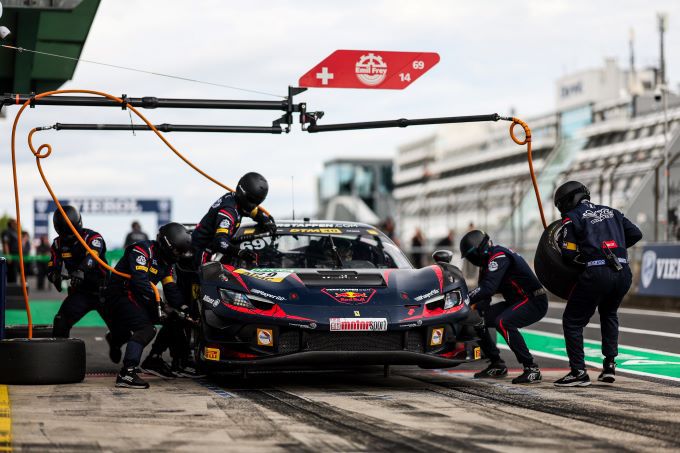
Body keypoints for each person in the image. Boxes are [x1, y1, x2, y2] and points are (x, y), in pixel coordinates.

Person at [553, 181, 642, 387]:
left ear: (567, 201)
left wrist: (584, 253)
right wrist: (615, 247)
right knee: (609, 314)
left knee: (572, 321)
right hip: (622, 272)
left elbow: (568, 254)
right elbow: (636, 234)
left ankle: (578, 372)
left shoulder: (571, 217)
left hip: (597, 272)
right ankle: (609, 365)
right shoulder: (612, 212)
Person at [105, 222, 192, 389]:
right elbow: (139, 282)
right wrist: (162, 305)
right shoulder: (142, 251)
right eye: (177, 251)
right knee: (146, 329)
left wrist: (183, 309)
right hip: (120, 295)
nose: (178, 255)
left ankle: (154, 359)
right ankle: (127, 373)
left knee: (174, 319)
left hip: (139, 296)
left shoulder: (166, 262)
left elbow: (170, 288)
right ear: (167, 245)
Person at [461, 230, 548, 384]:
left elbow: (488, 288)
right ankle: (497, 364)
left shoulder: (499, 256)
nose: (471, 261)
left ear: (477, 251)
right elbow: (484, 297)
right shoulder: (486, 263)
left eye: (470, 257)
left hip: (534, 300)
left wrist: (463, 298)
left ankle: (531, 368)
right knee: (475, 320)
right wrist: (475, 311)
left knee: (503, 322)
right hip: (517, 301)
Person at [47, 206, 111, 338]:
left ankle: (114, 339)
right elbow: (52, 266)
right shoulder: (57, 244)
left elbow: (93, 256)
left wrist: (81, 270)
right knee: (60, 321)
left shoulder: (93, 237)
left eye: (72, 232)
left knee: (123, 331)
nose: (69, 237)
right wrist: (54, 276)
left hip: (105, 292)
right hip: (81, 292)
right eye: (65, 234)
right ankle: (60, 355)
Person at [191, 172, 276, 265]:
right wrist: (240, 252)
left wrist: (266, 221)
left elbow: (253, 211)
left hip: (207, 252)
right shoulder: (229, 211)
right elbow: (220, 242)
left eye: (257, 202)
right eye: (251, 200)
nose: (253, 206)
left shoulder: (236, 200)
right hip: (198, 255)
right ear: (242, 192)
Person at [1, 219, 19, 283]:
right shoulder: (7, 231)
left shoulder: (14, 232)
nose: (16, 224)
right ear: (11, 223)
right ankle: (10, 290)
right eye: (15, 223)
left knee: (14, 274)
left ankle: (13, 287)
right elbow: (5, 244)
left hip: (15, 257)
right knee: (11, 274)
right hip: (11, 256)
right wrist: (8, 255)